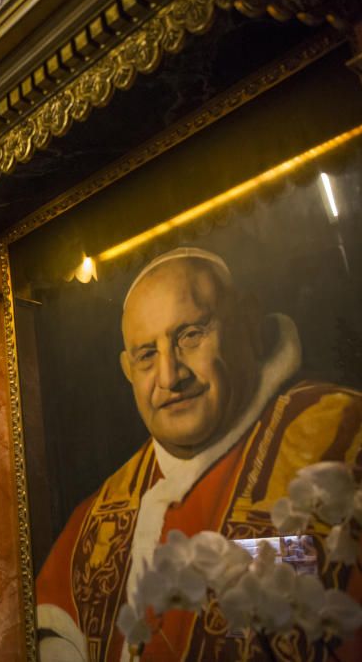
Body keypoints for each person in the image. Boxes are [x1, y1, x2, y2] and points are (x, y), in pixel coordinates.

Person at [36, 248, 362, 661]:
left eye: (191, 335)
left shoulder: (345, 440)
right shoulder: (92, 527)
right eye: (147, 355)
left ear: (246, 322)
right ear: (127, 370)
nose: (171, 377)